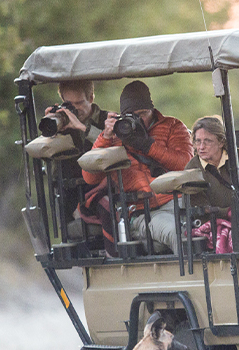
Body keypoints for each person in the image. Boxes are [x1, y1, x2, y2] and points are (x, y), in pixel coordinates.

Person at [79, 80, 193, 255]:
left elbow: (186, 164)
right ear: (122, 116)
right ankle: (193, 280)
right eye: (132, 115)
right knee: (177, 232)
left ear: (152, 109)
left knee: (209, 227)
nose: (139, 120)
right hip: (143, 213)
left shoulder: (172, 126)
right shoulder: (115, 136)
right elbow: (90, 177)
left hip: (179, 203)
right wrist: (106, 136)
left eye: (143, 113)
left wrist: (148, 145)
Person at [44, 80, 110, 231]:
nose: (75, 109)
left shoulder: (107, 121)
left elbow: (113, 149)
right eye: (69, 104)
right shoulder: (61, 125)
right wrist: (51, 133)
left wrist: (82, 128)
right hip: (70, 198)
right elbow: (51, 172)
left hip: (102, 193)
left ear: (91, 98)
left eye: (79, 103)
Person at [185, 116, 239, 212]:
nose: (201, 147)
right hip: (217, 224)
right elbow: (202, 211)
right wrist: (232, 212)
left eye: (207, 141)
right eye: (198, 141)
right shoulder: (191, 169)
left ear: (221, 142)